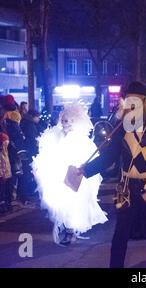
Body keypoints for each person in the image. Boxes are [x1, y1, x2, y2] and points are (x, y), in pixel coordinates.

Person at [79, 81, 146, 268]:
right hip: (126, 188)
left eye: (137, 101)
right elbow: (109, 156)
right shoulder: (121, 126)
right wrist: (84, 170)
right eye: (129, 101)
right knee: (120, 235)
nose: (132, 105)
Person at [32, 103, 108, 247]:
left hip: (76, 178)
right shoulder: (55, 135)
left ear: (75, 122)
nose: (65, 123)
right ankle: (67, 228)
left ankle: (69, 230)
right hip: (59, 177)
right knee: (62, 205)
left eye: (68, 121)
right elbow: (47, 154)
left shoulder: (81, 140)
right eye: (63, 120)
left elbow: (88, 158)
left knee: (73, 205)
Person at [0, 132, 12, 212]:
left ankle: (2, 202)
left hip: (4, 171)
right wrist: (0, 173)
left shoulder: (4, 150)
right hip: (1, 172)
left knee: (3, 188)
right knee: (0, 188)